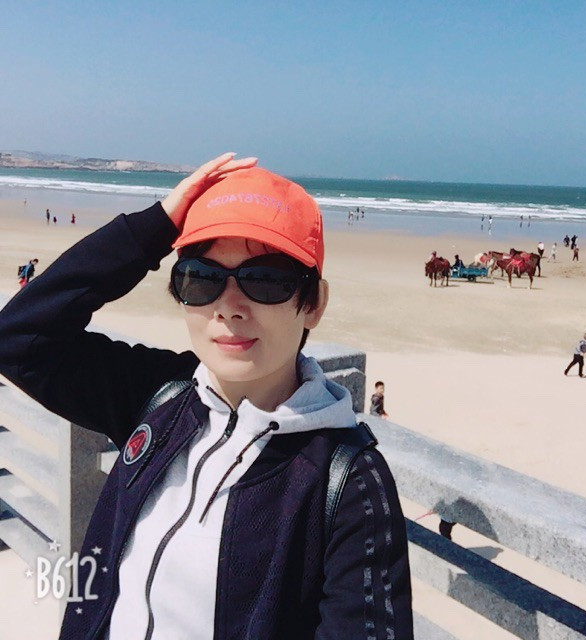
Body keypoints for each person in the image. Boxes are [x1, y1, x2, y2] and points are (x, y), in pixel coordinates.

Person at [0, 154, 413, 639]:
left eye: (266, 281)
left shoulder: (346, 481)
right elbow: (19, 339)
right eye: (201, 278)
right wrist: (156, 226)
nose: (229, 308)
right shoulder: (163, 398)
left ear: (314, 304)